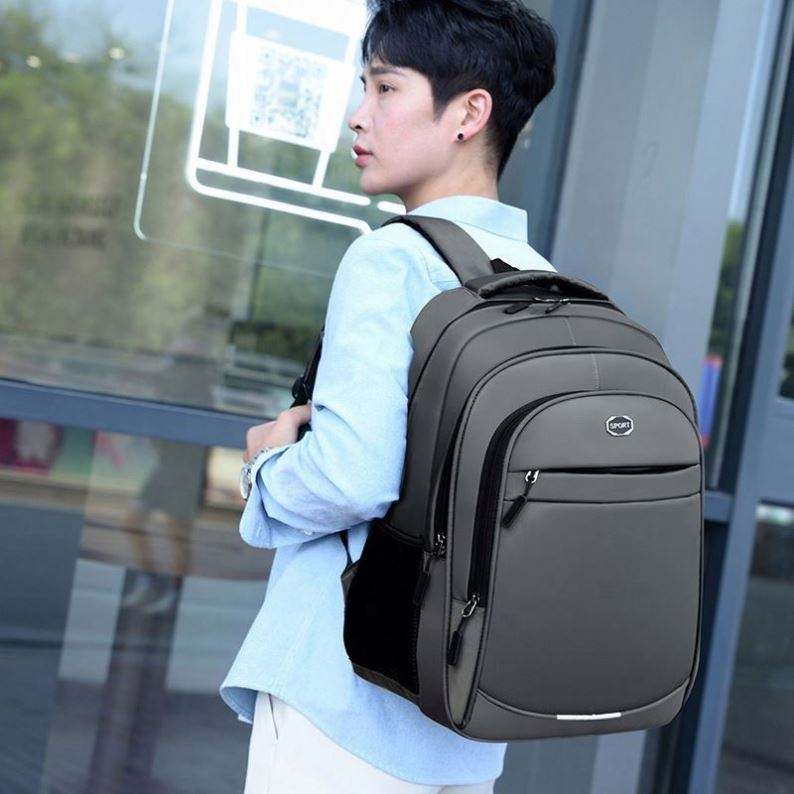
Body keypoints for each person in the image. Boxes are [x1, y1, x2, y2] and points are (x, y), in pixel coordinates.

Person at [220, 1, 557, 791]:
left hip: (347, 690)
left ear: (469, 113)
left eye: (385, 88)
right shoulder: (540, 280)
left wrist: (265, 466)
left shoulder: (391, 259)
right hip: (465, 710)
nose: (358, 115)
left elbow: (351, 477)